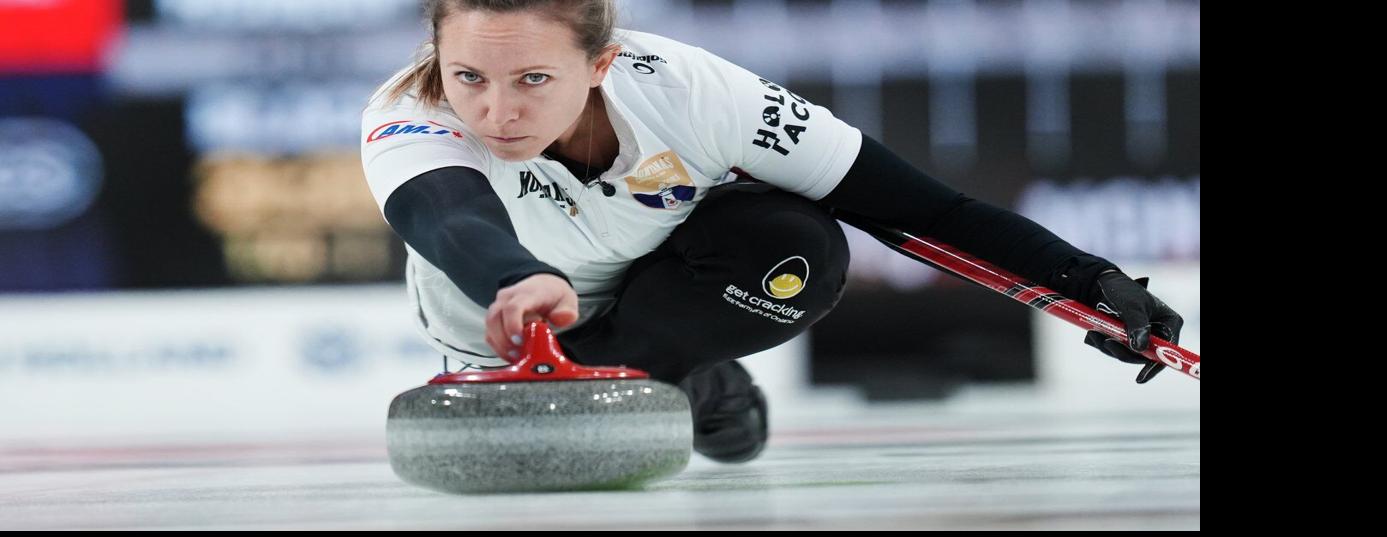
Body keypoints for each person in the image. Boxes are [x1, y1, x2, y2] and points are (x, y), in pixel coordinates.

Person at [360, 0, 1183, 464]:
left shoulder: (699, 93)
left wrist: (1090, 283)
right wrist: (515, 277)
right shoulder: (412, 109)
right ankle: (684, 381)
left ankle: (682, 371)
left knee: (799, 242)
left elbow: (920, 213)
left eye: (534, 79)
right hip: (504, 316)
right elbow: (447, 214)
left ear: (603, 63)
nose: (496, 111)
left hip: (656, 297)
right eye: (469, 76)